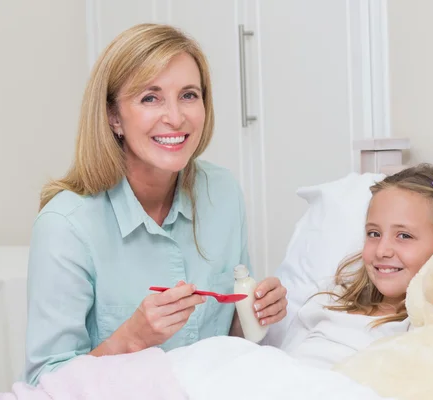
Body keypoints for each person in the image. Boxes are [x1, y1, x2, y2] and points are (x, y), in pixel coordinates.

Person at [23, 23, 287, 385]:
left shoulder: (222, 192)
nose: (176, 117)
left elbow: (228, 344)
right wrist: (131, 338)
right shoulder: (65, 225)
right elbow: (43, 382)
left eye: (189, 95)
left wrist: (252, 313)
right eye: (151, 97)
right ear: (113, 117)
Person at [280, 164, 433, 369]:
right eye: (374, 234)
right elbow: (283, 360)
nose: (381, 251)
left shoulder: (424, 329)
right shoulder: (332, 299)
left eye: (404, 236)